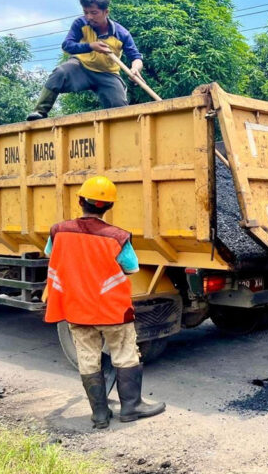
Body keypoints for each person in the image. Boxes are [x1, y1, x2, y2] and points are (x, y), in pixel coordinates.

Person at [44, 176, 164, 429]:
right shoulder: (117, 236)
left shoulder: (59, 230)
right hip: (111, 309)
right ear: (109, 207)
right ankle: (131, 407)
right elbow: (131, 268)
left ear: (80, 201)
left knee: (88, 357)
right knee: (124, 353)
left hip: (76, 308)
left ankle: (99, 414)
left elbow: (50, 254)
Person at [26, 0, 143, 121]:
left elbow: (135, 57)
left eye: (94, 12)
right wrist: (90, 46)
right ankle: (40, 111)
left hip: (108, 73)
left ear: (106, 12)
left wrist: (135, 69)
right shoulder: (80, 23)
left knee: (120, 109)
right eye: (86, 12)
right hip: (81, 67)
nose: (89, 17)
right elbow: (67, 45)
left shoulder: (122, 34)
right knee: (60, 72)